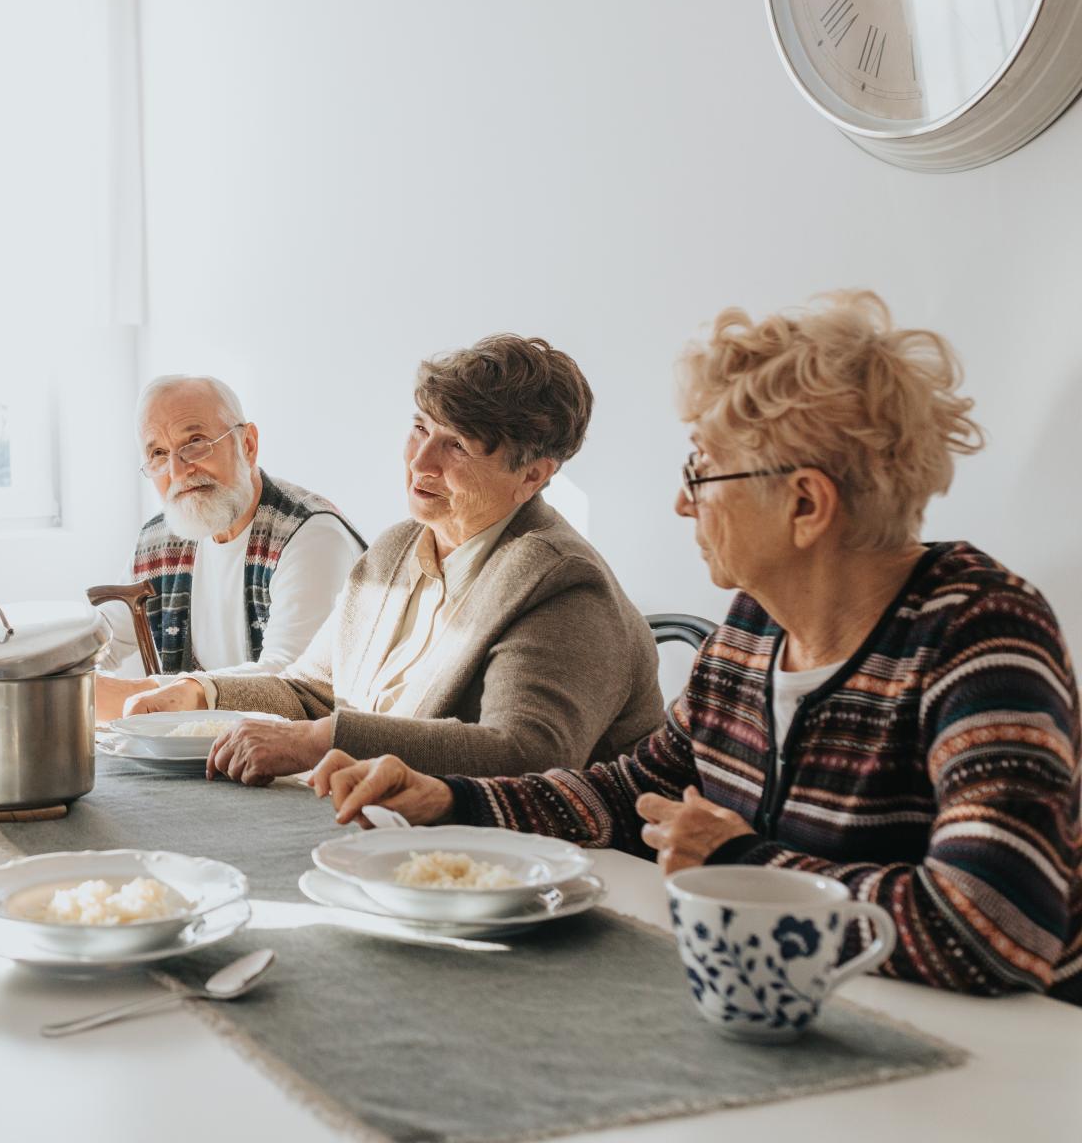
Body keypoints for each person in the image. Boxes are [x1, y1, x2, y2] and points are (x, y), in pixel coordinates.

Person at [311, 292, 1081, 1001]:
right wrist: (450, 798)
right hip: (793, 1002)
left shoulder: (978, 634)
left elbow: (994, 926)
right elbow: (626, 794)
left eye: (704, 469)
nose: (684, 500)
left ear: (806, 504)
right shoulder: (753, 630)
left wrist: (743, 865)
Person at [127, 336, 663, 785]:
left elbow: (524, 753)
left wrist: (320, 741)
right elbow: (313, 690)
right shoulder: (397, 548)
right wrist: (202, 693)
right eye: (421, 429)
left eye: (458, 446)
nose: (421, 463)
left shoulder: (561, 582)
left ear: (534, 475)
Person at [93, 374, 365, 719]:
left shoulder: (311, 535)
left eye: (194, 442)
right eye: (159, 453)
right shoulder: (159, 541)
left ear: (247, 444)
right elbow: (99, 642)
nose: (178, 470)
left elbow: (295, 686)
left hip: (303, 764)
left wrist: (137, 693)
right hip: (203, 757)